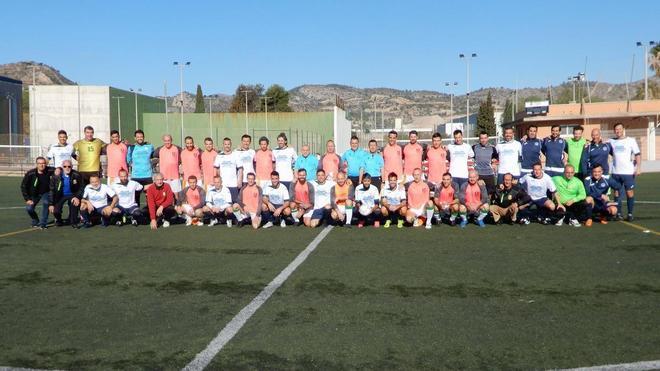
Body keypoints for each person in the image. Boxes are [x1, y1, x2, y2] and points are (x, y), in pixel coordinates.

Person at [609, 122, 642, 221]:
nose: (618, 131)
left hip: (628, 172)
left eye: (620, 129)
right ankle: (618, 213)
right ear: (614, 131)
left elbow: (637, 154)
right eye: (616, 129)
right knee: (617, 193)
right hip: (616, 172)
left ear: (623, 129)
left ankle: (630, 213)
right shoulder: (611, 141)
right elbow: (600, 143)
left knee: (629, 193)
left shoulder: (631, 140)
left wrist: (639, 167)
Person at [21, 157, 55, 229]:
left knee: (46, 202)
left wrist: (58, 170)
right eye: (40, 163)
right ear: (36, 164)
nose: (42, 165)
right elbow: (23, 186)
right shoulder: (31, 173)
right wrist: (27, 199)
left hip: (46, 192)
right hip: (34, 194)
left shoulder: (50, 170)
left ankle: (43, 223)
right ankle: (35, 220)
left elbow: (59, 169)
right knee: (29, 208)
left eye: (43, 163)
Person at [49, 159, 83, 228]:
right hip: (61, 195)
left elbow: (81, 187)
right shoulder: (56, 176)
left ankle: (73, 222)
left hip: (73, 195)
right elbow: (52, 190)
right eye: (65, 166)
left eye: (69, 166)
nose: (67, 168)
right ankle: (59, 220)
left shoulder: (76, 174)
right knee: (56, 210)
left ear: (72, 166)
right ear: (62, 167)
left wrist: (77, 197)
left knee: (74, 204)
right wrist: (51, 204)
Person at [126, 129, 154, 206]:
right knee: (135, 197)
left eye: (141, 137)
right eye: (138, 137)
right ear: (135, 138)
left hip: (148, 176)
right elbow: (128, 160)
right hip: (136, 177)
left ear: (144, 137)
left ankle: (150, 215)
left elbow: (153, 156)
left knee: (150, 197)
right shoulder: (131, 148)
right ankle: (136, 215)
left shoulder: (150, 146)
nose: (140, 138)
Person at [213, 137, 243, 203]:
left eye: (228, 144)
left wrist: (239, 181)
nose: (227, 146)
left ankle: (236, 214)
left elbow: (240, 169)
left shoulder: (235, 155)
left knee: (235, 204)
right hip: (223, 185)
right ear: (223, 145)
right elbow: (216, 169)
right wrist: (215, 181)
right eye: (225, 144)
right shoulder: (219, 156)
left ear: (231, 144)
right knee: (223, 203)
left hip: (233, 185)